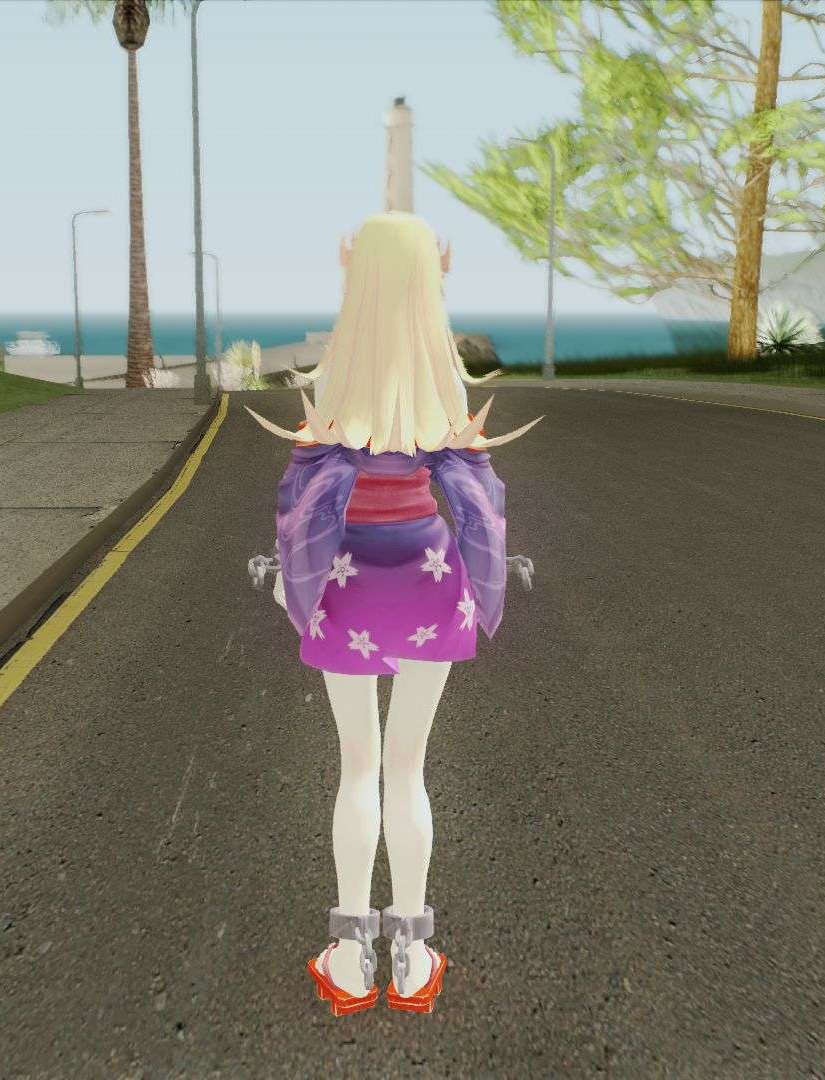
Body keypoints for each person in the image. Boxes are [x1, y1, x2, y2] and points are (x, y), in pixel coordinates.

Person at [246, 211, 539, 1016]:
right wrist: (485, 577)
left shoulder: (333, 400)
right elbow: (480, 503)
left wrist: (290, 582)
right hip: (427, 581)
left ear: (355, 277)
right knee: (409, 770)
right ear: (432, 279)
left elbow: (299, 511)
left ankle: (348, 956)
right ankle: (411, 957)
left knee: (358, 767)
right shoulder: (444, 400)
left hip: (347, 590)